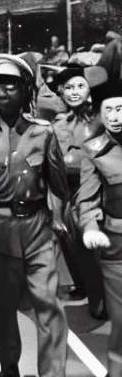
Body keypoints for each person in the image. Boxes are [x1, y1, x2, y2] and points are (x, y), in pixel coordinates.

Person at [0, 53, 69, 377]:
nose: (2, 92)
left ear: (25, 90)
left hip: (38, 230)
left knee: (50, 309)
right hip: (0, 233)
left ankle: (53, 374)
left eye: (11, 85)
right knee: (4, 312)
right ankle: (9, 370)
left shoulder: (43, 133)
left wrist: (58, 223)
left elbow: (58, 184)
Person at [50, 65, 107, 316]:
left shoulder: (101, 116)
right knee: (71, 240)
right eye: (69, 88)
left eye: (80, 86)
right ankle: (88, 289)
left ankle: (101, 299)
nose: (74, 92)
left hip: (98, 187)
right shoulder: (60, 122)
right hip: (69, 188)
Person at [78, 69, 122, 377]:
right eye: (108, 109)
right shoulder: (94, 151)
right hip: (117, 245)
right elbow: (88, 199)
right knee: (121, 320)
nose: (115, 116)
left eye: (121, 108)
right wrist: (91, 227)